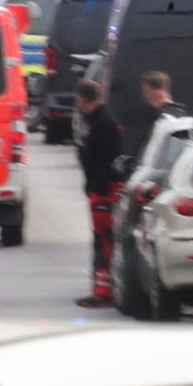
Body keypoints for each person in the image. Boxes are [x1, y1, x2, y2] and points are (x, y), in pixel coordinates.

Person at [74, 79, 125, 308]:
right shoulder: (96, 120)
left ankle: (104, 291)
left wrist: (98, 189)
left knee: (104, 241)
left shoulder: (103, 123)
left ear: (84, 99)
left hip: (104, 191)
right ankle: (101, 288)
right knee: (101, 241)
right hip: (99, 189)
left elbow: (106, 160)